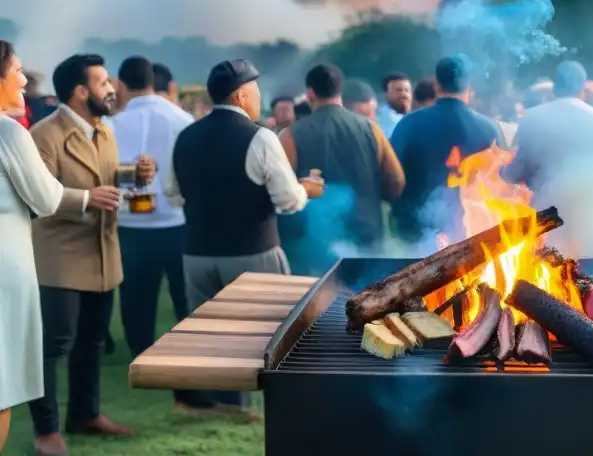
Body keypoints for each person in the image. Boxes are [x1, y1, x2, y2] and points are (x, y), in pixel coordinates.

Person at [162, 59, 324, 415]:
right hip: (252, 252)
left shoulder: (186, 135)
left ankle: (223, 401)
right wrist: (306, 189)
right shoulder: (260, 137)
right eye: (256, 90)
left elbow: (172, 194)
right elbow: (288, 201)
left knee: (211, 332)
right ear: (241, 94)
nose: (259, 97)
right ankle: (269, 402)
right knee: (268, 330)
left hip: (197, 254)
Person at [29, 54, 156, 454]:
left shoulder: (104, 131)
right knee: (53, 347)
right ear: (81, 91)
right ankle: (46, 430)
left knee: (92, 344)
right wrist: (86, 199)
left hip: (103, 256)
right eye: (103, 83)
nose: (112, 89)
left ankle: (85, 415)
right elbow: (39, 197)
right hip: (60, 260)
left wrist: (133, 175)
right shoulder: (43, 135)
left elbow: (100, 175)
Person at [109, 57, 204, 412]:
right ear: (155, 81)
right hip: (177, 221)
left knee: (136, 298)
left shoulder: (112, 123)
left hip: (131, 223)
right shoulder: (182, 120)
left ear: (121, 83)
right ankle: (186, 356)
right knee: (183, 298)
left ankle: (143, 357)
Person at [0, 43, 71, 452]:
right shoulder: (9, 132)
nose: (25, 79)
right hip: (6, 273)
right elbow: (47, 200)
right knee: (2, 387)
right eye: (18, 70)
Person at [278, 64, 404, 272]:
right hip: (368, 238)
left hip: (314, 249)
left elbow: (281, 192)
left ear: (310, 94)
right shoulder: (372, 129)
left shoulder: (290, 135)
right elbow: (396, 182)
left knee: (319, 303)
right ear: (339, 92)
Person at [389, 56, 504, 247]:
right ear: (470, 85)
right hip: (470, 233)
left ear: (436, 84)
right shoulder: (488, 128)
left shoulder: (409, 124)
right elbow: (497, 186)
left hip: (415, 233)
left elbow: (392, 177)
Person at [506, 61, 593, 194]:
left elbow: (519, 169)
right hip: (590, 209)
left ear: (555, 88)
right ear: (583, 89)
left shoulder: (531, 117)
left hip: (542, 208)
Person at [376, 72, 411, 138]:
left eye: (407, 90)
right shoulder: (379, 119)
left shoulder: (414, 118)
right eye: (398, 90)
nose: (404, 94)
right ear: (386, 94)